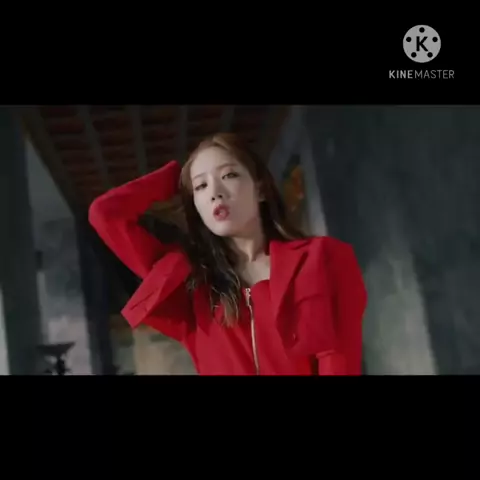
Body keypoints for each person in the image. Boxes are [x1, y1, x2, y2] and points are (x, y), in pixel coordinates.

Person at [89, 132, 367, 375]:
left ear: (260, 189)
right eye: (201, 186)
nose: (215, 193)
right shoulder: (190, 286)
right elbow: (106, 214)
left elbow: (339, 360)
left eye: (229, 175)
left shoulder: (319, 259)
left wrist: (197, 178)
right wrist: (175, 178)